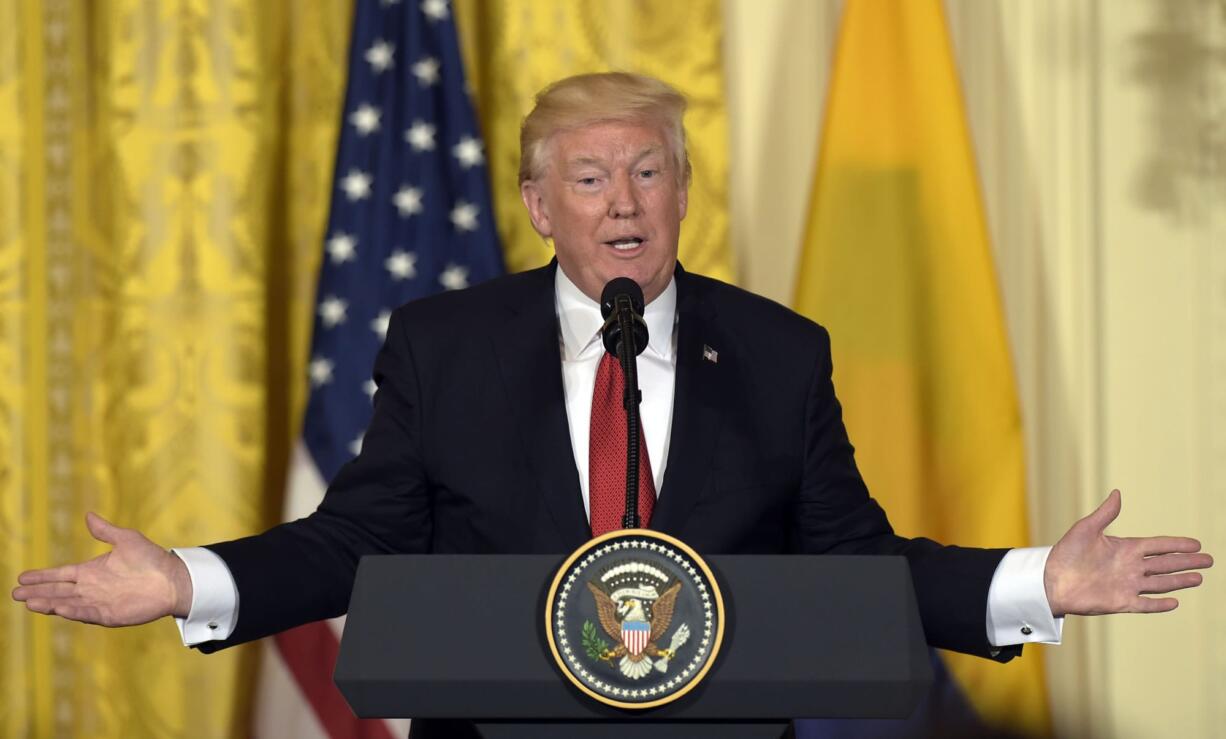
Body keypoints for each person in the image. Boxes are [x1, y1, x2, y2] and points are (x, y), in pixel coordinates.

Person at [12, 68, 1212, 694]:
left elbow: (851, 564)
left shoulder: (778, 352)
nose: (623, 203)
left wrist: (1031, 582)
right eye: (588, 181)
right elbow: (352, 542)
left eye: (647, 172)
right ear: (539, 206)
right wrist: (189, 580)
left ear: (684, 193)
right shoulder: (445, 343)